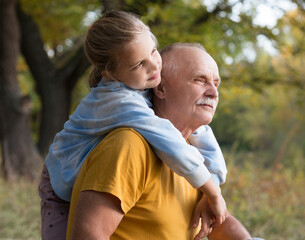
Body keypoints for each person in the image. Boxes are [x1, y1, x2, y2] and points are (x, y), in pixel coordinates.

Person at [38, 11, 227, 239]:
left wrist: (214, 182)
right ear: (110, 72)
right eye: (139, 64)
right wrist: (211, 191)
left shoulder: (139, 83)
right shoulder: (118, 101)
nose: (154, 67)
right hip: (61, 174)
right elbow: (167, 138)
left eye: (154, 52)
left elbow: (202, 132)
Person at [66, 43, 252, 240]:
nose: (213, 93)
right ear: (161, 88)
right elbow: (88, 235)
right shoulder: (129, 144)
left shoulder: (192, 152)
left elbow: (219, 223)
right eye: (200, 80)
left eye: (216, 83)